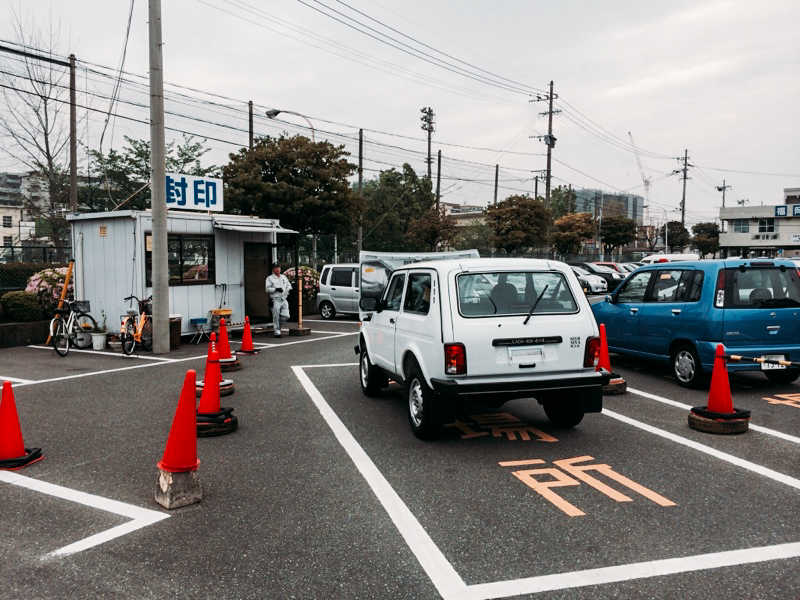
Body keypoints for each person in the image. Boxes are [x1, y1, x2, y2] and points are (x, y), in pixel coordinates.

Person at [266, 261, 292, 338]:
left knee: (286, 315)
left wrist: (289, 289)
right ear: (273, 269)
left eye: (278, 267)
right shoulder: (270, 278)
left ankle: (277, 325)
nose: (277, 269)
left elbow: (289, 285)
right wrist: (275, 289)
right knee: (276, 316)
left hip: (284, 298)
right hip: (275, 299)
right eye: (275, 268)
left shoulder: (284, 277)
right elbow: (267, 289)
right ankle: (277, 332)